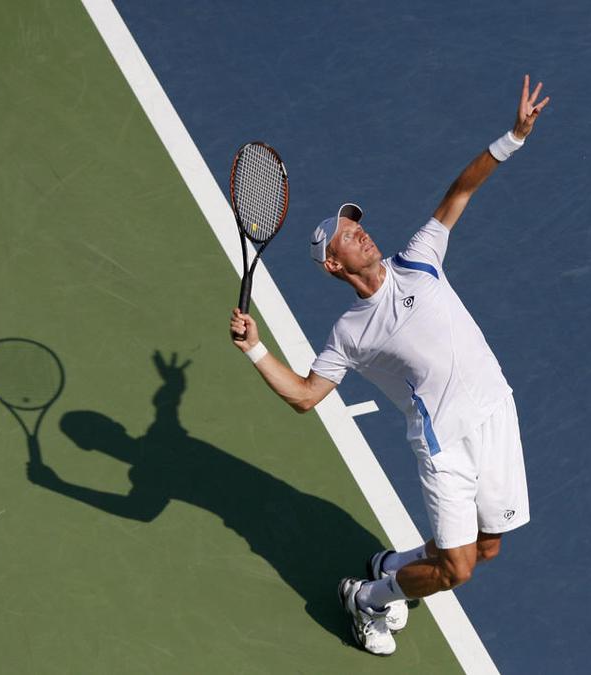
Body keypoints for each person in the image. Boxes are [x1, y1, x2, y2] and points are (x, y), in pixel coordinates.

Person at [229, 74, 549, 656]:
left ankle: (394, 565)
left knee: (489, 546)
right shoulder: (350, 332)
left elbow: (459, 193)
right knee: (457, 569)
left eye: (359, 226)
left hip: (495, 412)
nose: (362, 234)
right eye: (349, 236)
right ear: (333, 264)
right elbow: (305, 396)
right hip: (444, 444)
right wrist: (255, 348)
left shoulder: (419, 258)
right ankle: (369, 597)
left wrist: (514, 137)